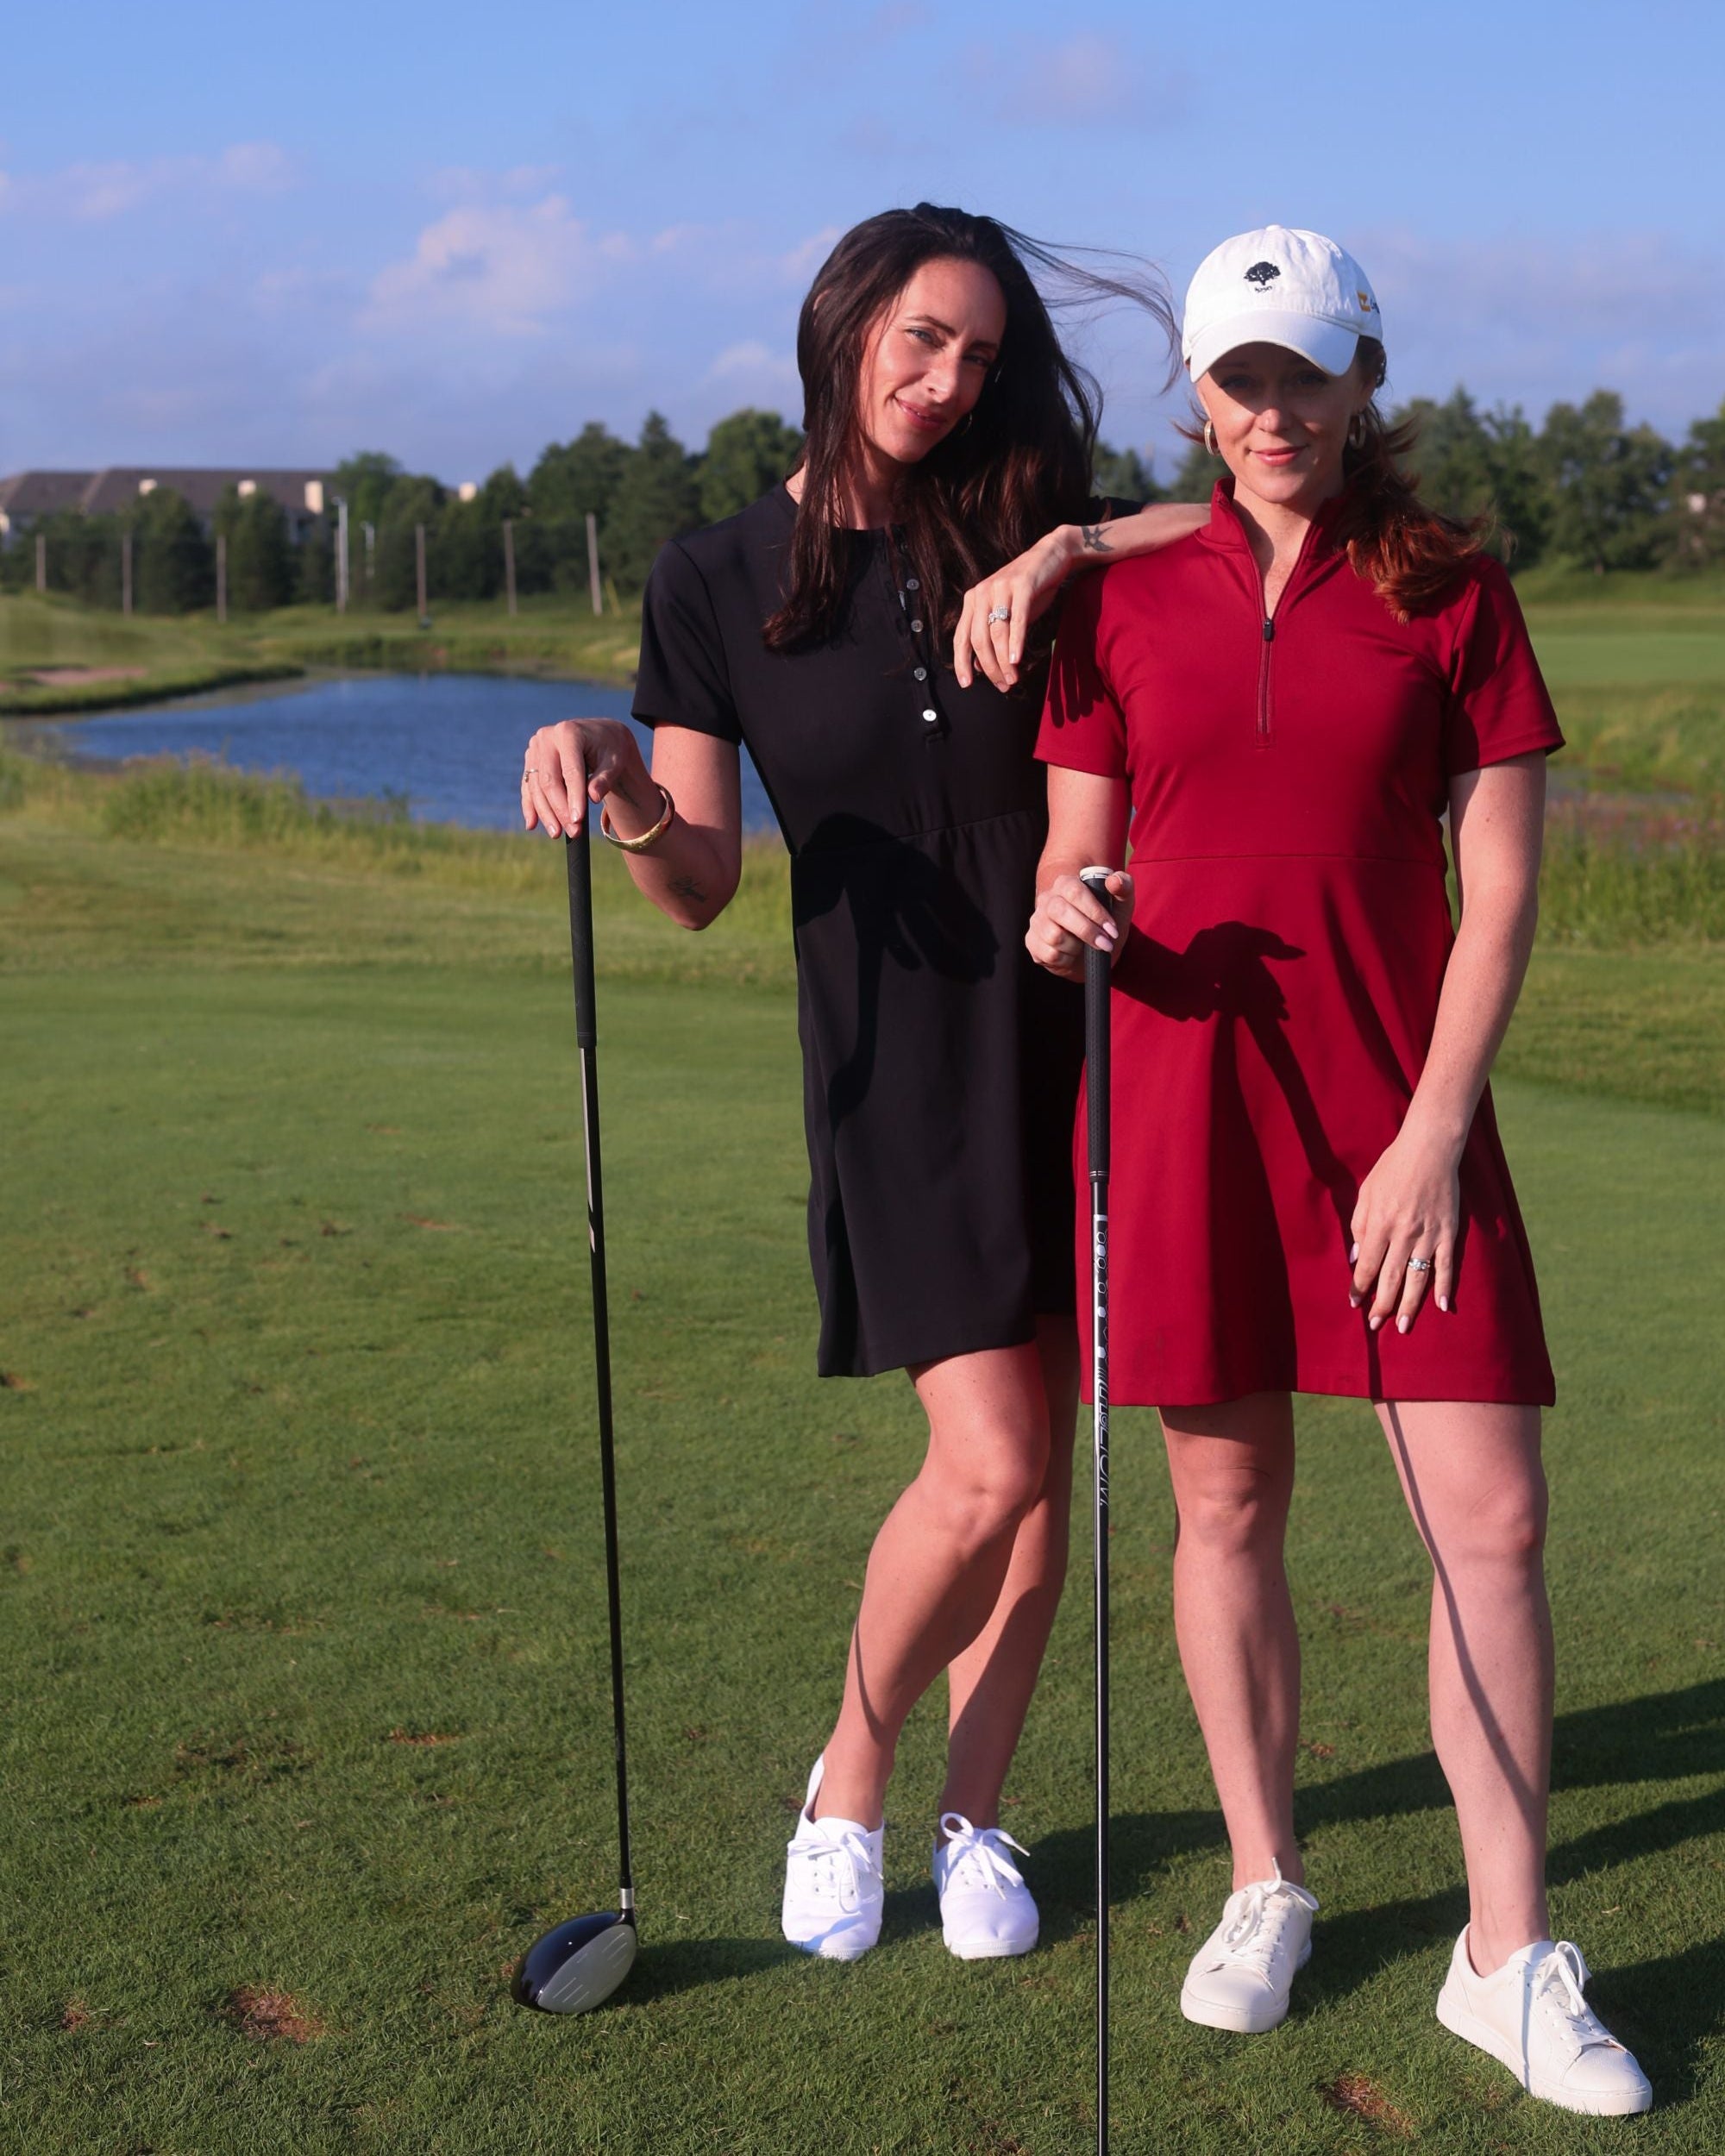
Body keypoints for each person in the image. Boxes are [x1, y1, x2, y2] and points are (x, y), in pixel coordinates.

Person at [520, 204, 1202, 1964]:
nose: (943, 378)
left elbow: (1258, 524)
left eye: (975, 352)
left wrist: (1070, 550)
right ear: (839, 327)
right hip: (891, 1041)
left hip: (1076, 1001)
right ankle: (851, 1774)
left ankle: (977, 1808)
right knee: (981, 1458)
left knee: (1045, 1469)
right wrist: (621, 780)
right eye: (918, 338)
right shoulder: (710, 578)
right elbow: (702, 883)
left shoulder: (1022, 502)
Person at [1026, 227, 1652, 2115]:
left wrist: (1436, 1131)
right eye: (1238, 376)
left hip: (1402, 1119)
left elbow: (1504, 880)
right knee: (1224, 1511)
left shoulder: (1451, 586)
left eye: (1304, 371)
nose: (1270, 408)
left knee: (1494, 1522)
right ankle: (1264, 1878)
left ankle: (1503, 1947)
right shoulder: (1114, 598)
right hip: (1183, 1099)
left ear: (1364, 373)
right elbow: (1069, 853)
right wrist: (1065, 911)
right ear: (1197, 395)